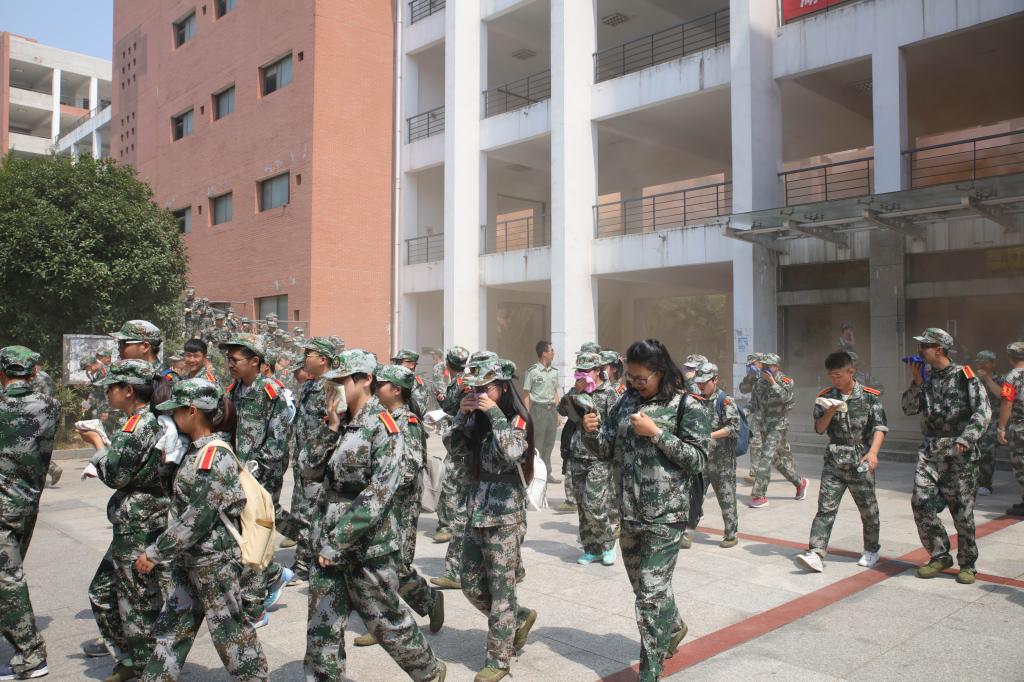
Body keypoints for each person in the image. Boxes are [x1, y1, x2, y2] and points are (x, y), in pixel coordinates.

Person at [301, 350, 446, 682]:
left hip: (367, 546)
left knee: (387, 624)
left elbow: (379, 492)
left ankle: (429, 672)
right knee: (322, 628)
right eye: (332, 382)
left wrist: (338, 541)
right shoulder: (338, 424)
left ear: (366, 380)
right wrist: (330, 428)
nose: (334, 388)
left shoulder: (385, 427)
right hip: (326, 543)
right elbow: (308, 470)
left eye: (341, 381)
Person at [583, 339, 709, 682]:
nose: (636, 384)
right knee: (646, 587)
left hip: (666, 516)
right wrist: (590, 432)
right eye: (632, 377)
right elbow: (605, 449)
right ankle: (674, 627)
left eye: (642, 378)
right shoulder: (625, 401)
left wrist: (656, 434)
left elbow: (698, 459)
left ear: (661, 371)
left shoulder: (686, 405)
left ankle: (650, 672)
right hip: (629, 513)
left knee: (649, 599)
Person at [134, 378, 269, 681]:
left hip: (213, 562)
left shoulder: (213, 456)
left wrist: (156, 552)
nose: (172, 416)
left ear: (193, 411)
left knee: (232, 636)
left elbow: (199, 515)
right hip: (190, 559)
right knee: (171, 632)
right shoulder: (195, 452)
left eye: (177, 410)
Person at [78, 360, 172, 682]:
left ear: (128, 390)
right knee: (102, 593)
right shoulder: (144, 421)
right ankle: (131, 659)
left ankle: (147, 668)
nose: (107, 393)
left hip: (139, 524)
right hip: (138, 520)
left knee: (137, 604)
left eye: (111, 387)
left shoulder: (139, 424)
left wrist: (97, 444)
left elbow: (116, 475)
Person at [452, 358, 537, 682]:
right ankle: (518, 617)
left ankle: (498, 660)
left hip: (504, 516)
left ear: (502, 387)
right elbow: (453, 448)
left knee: (502, 592)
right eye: (475, 389)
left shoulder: (515, 420)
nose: (480, 395)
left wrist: (495, 414)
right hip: (476, 510)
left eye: (486, 388)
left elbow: (513, 452)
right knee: (470, 584)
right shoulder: (478, 421)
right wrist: (462, 415)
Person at [353, 364, 445, 647]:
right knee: (379, 563)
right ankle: (386, 620)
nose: (376, 388)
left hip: (401, 504)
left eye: (381, 384)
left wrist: (382, 482)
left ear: (396, 390)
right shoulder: (377, 417)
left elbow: (412, 465)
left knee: (397, 564)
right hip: (380, 501)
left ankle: (426, 601)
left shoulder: (409, 422)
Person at [902, 328, 991, 584]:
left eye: (924, 346)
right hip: (930, 451)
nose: (920, 351)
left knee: (962, 512)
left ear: (939, 349)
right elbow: (908, 408)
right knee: (921, 502)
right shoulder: (926, 377)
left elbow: (983, 412)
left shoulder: (965, 375)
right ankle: (939, 555)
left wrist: (966, 438)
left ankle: (968, 563)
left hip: (959, 451)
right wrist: (916, 382)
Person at [219, 333, 296, 626]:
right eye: (228, 359)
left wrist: (256, 470)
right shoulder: (233, 390)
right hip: (238, 473)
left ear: (255, 361)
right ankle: (274, 574)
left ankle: (254, 605)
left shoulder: (271, 392)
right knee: (241, 532)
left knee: (255, 532)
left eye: (235, 359)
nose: (230, 364)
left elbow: (278, 440)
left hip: (263, 475)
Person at [0, 346, 60, 681]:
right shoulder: (50, 406)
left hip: (3, 507)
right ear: (33, 372)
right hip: (27, 502)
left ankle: (30, 654)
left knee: (6, 579)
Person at [796, 352, 886, 573]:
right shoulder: (825, 397)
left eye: (838, 375)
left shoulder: (869, 397)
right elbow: (819, 429)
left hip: (860, 458)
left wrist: (873, 453)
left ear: (851, 372)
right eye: (831, 376)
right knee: (825, 509)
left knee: (868, 509)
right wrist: (830, 411)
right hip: (834, 460)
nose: (834, 380)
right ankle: (816, 552)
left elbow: (880, 427)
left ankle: (871, 549)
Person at [558, 352, 617, 565]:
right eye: (579, 371)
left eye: (587, 371)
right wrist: (576, 393)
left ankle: (608, 544)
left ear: (598, 371)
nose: (582, 375)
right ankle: (591, 548)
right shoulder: (576, 390)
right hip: (577, 454)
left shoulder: (609, 393)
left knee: (594, 504)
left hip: (599, 456)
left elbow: (615, 425)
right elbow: (562, 410)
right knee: (582, 507)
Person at [287, 337, 337, 584]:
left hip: (320, 463)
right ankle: (305, 560)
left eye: (309, 355)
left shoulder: (334, 388)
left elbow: (336, 426)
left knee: (312, 513)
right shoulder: (308, 386)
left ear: (323, 359)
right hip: (303, 460)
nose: (304, 359)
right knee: (301, 512)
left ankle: (305, 564)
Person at [748, 353, 809, 507]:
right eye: (763, 365)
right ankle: (799, 482)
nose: (764, 368)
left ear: (776, 367)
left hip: (778, 426)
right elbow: (753, 405)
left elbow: (788, 401)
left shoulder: (786, 381)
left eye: (768, 366)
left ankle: (758, 495)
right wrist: (742, 412)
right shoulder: (758, 383)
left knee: (765, 457)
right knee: (775, 460)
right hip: (763, 426)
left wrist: (773, 382)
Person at [695, 362, 741, 548]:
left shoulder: (725, 401)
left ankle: (731, 534)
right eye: (698, 382)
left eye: (704, 382)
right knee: (694, 497)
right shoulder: (695, 399)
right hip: (701, 459)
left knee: (726, 498)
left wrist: (710, 435)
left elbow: (733, 427)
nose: (700, 385)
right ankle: (688, 531)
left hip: (722, 461)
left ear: (715, 380)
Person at [432, 346, 470, 547]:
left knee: (448, 481)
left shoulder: (458, 383)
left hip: (461, 441)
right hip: (469, 439)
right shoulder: (470, 379)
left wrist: (441, 400)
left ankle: (446, 525)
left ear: (448, 363)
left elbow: (450, 407)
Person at [522, 341, 562, 483]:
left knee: (549, 443)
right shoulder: (532, 371)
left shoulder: (554, 372)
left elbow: (555, 393)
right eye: (551, 350)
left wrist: (558, 413)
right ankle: (534, 474)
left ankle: (546, 473)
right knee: (537, 444)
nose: (553, 353)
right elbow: (526, 395)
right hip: (538, 410)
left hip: (551, 410)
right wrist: (527, 415)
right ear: (544, 353)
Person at [998, 341, 1024, 516]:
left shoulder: (1011, 378)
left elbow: (1007, 403)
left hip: (1020, 428)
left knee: (1020, 465)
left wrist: (1001, 428)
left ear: (1010, 358)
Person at [974, 350, 1003, 495]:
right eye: (979, 362)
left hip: (993, 421)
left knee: (986, 450)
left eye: (985, 362)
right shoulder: (973, 379)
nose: (982, 365)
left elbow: (1001, 395)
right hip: (975, 420)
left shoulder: (1002, 380)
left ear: (993, 364)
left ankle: (985, 484)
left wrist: (987, 379)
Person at [392, 349, 430, 420]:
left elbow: (418, 411)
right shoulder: (392, 381)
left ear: (412, 365)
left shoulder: (418, 385)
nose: (396, 365)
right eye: (396, 362)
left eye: (400, 362)